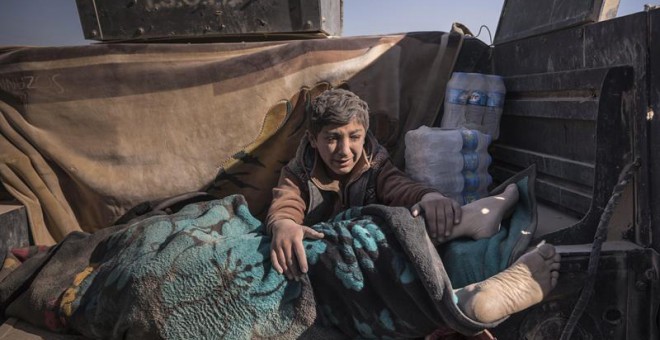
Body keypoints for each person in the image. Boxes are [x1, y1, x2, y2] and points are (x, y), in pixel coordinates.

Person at [266, 88, 560, 324]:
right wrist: (284, 223)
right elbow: (287, 201)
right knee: (346, 243)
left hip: (380, 244)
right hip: (353, 256)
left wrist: (428, 197)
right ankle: (464, 303)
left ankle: (471, 242)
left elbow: (398, 187)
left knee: (405, 218)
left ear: (364, 136)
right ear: (312, 141)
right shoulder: (300, 171)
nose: (345, 151)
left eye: (353, 137)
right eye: (332, 139)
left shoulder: (374, 163)